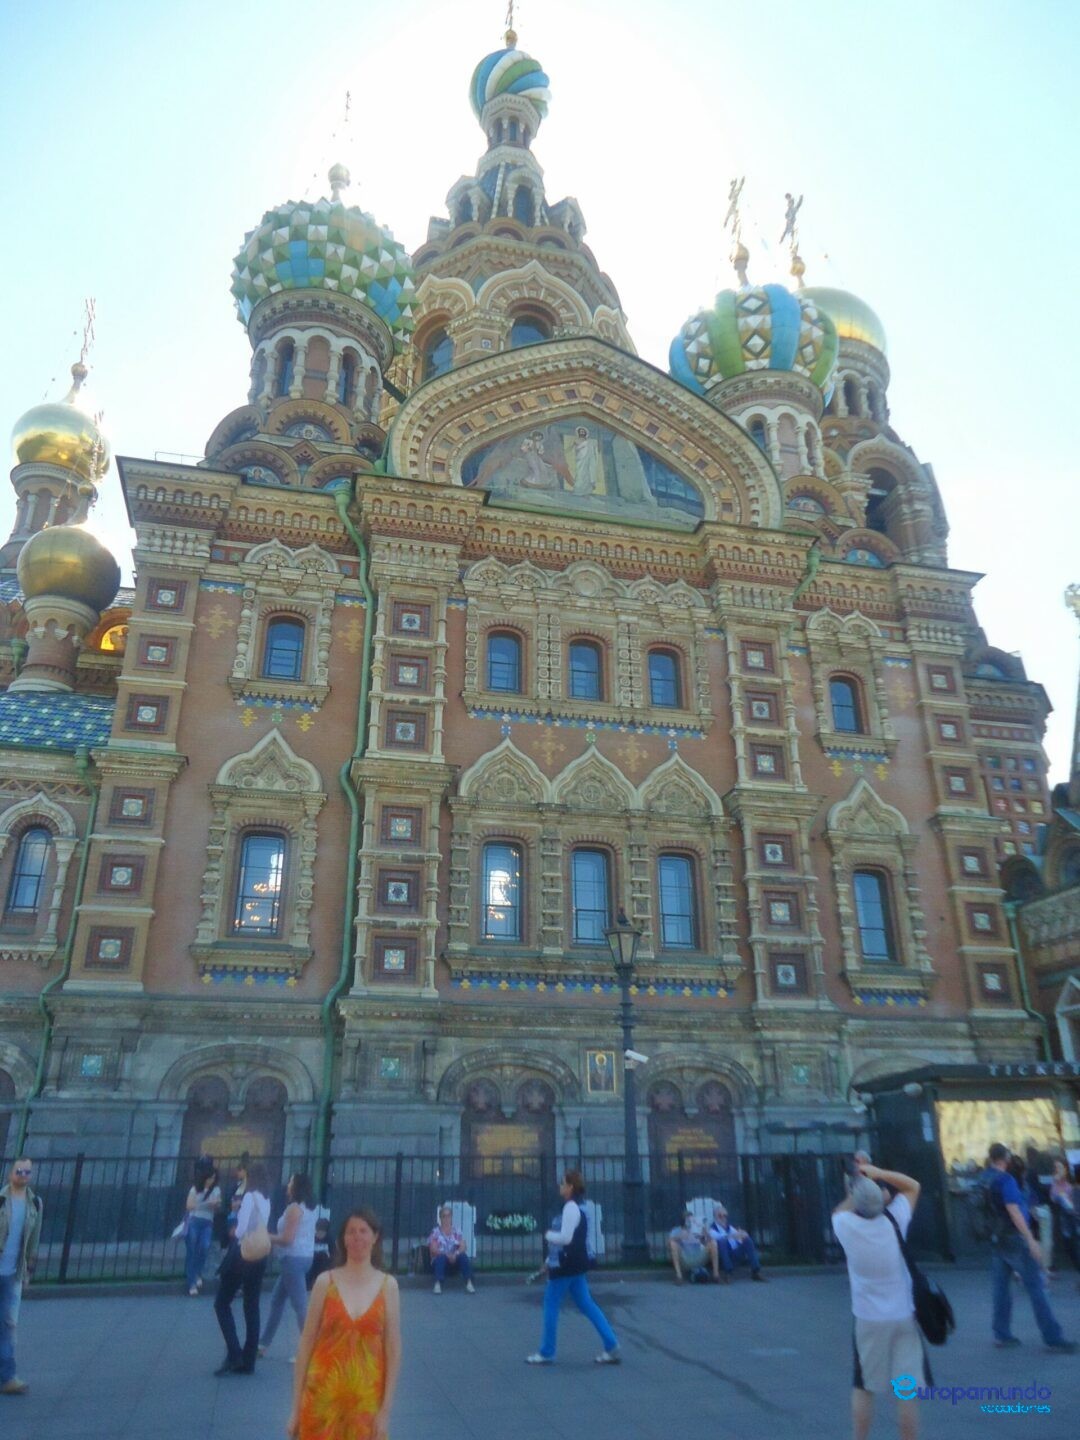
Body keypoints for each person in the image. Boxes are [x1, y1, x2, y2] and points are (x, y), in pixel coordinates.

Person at [288, 1208, 401, 1440]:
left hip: (365, 1403)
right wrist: (295, 1408)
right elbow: (306, 1343)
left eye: (363, 1231)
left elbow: (393, 1348)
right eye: (351, 1232)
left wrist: (385, 1411)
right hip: (321, 1398)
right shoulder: (324, 1282)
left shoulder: (388, 1286)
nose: (357, 1237)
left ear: (375, 1237)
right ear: (343, 1239)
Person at [832, 1159, 925, 1440]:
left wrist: (856, 1187)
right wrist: (879, 1174)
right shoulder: (895, 1220)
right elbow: (913, 1186)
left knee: (864, 1387)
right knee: (906, 1390)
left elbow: (841, 1208)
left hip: (868, 1319)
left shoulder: (845, 1225)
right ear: (883, 1199)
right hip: (903, 1314)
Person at [982, 1142, 1075, 1353]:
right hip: (1014, 1239)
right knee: (1036, 1287)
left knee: (1000, 1289)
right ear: (1005, 1158)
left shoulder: (984, 1178)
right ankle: (1053, 1337)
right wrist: (1031, 1240)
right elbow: (1014, 1211)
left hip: (996, 1239)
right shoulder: (1005, 1180)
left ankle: (1002, 1334)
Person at [526, 1169, 620, 1365]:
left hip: (565, 1265)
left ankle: (547, 1351)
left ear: (570, 1187)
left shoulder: (571, 1207)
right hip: (576, 1263)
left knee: (551, 1304)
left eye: (562, 1184)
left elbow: (566, 1238)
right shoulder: (580, 1206)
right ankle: (611, 1344)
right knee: (587, 1304)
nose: (560, 1187)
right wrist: (546, 1262)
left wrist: (548, 1235)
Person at [213, 1160, 271, 1375]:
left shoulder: (249, 1197)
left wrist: (233, 1231)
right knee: (252, 1305)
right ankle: (248, 1361)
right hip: (260, 1256)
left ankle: (234, 1354)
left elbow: (241, 1229)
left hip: (242, 1255)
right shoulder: (266, 1199)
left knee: (222, 1303)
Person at [259, 1172, 317, 1357]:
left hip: (292, 1258)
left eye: (291, 1181)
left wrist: (266, 1236)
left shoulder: (293, 1208)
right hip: (303, 1256)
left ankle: (310, 1349)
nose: (288, 1184)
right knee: (277, 1300)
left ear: (297, 1186)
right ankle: (263, 1344)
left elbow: (287, 1239)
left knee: (300, 1305)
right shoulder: (310, 1207)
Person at [0, 1158, 42, 1396]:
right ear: (10, 1174)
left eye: (27, 1172)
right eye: (19, 1171)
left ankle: (8, 1377)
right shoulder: (1, 1200)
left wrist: (28, 1271)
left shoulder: (35, 1203)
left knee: (7, 1325)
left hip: (12, 1273)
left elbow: (34, 1240)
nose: (23, 1175)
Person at [184, 1159, 221, 1296]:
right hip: (195, 1220)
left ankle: (197, 1272)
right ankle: (191, 1282)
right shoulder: (195, 1189)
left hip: (207, 1222)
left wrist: (215, 1205)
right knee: (192, 1250)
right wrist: (205, 1203)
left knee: (204, 1247)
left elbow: (217, 1209)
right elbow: (189, 1206)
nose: (212, 1181)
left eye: (214, 1179)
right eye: (210, 1178)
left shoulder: (216, 1190)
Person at [708, 1203, 766, 1282]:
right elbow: (721, 1237)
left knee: (747, 1240)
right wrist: (735, 1235)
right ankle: (728, 1273)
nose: (723, 1218)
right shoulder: (712, 1229)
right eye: (720, 1216)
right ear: (715, 1217)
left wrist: (742, 1234)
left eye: (725, 1215)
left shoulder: (730, 1227)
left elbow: (741, 1235)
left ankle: (756, 1271)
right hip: (723, 1258)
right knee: (722, 1242)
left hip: (735, 1254)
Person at [427, 1205, 476, 1295]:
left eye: (448, 1216)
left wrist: (455, 1254)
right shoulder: (435, 1232)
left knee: (463, 1256)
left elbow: (463, 1246)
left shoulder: (456, 1231)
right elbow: (433, 1249)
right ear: (440, 1218)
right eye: (444, 1216)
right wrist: (447, 1255)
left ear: (451, 1217)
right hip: (440, 1263)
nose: (446, 1219)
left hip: (454, 1261)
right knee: (440, 1257)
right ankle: (437, 1284)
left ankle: (469, 1283)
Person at [668, 1209, 721, 1284]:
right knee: (673, 1244)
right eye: (687, 1219)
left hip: (699, 1256)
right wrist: (679, 1237)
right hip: (685, 1257)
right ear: (683, 1220)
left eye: (691, 1219)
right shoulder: (677, 1230)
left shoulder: (698, 1228)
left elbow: (709, 1242)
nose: (689, 1221)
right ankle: (679, 1276)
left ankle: (716, 1275)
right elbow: (668, 1244)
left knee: (713, 1243)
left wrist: (705, 1234)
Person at [1048, 1158, 1080, 1282]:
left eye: (1060, 1167)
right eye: (1055, 1168)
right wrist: (1056, 1183)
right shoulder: (1056, 1182)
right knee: (1070, 1249)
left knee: (1076, 1249)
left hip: (1075, 1219)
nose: (1057, 1170)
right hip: (1065, 1221)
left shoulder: (1073, 1183)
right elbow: (1053, 1197)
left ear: (1066, 1169)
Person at [307, 1216, 332, 1291]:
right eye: (319, 1232)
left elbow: (333, 1253)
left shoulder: (329, 1239)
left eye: (322, 1232)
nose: (320, 1234)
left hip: (323, 1264)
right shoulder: (312, 1238)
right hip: (314, 1264)